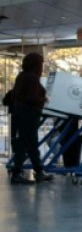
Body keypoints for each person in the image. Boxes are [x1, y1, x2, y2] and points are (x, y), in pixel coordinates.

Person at [10, 52, 53, 184]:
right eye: (41, 64)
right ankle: (20, 174)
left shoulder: (21, 76)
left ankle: (37, 171)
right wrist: (43, 99)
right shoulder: (32, 78)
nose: (42, 67)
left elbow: (16, 94)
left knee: (27, 143)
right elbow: (31, 97)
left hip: (20, 113)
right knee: (28, 143)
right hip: (29, 114)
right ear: (36, 65)